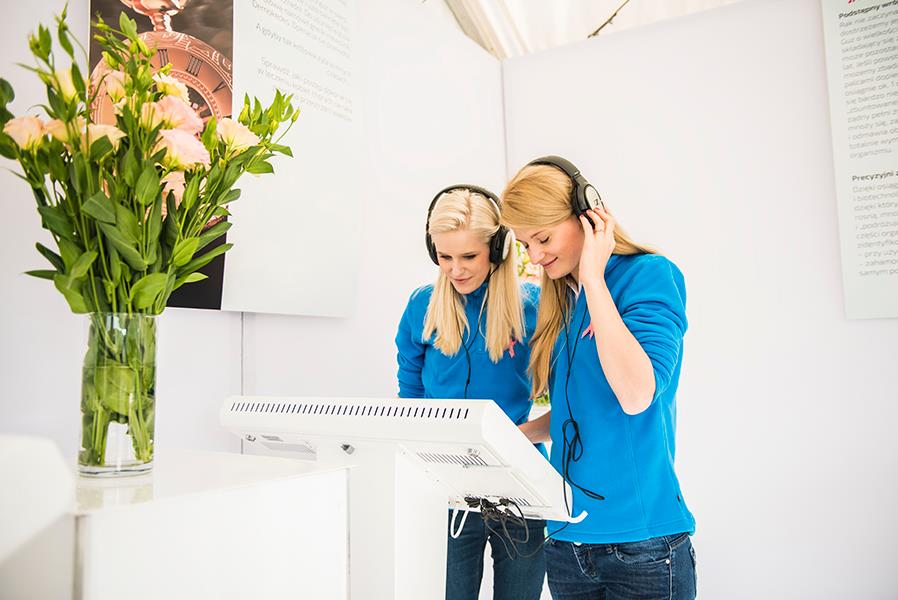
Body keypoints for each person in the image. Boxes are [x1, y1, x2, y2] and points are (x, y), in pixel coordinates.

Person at [502, 156, 697, 600]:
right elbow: (580, 409)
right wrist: (515, 435)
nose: (535, 256)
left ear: (588, 216)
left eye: (543, 238)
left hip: (643, 545)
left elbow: (636, 395)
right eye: (525, 244)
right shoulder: (562, 299)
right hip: (567, 542)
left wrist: (594, 278)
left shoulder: (649, 276)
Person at [395, 185, 546, 600]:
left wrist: (525, 434)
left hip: (519, 482)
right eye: (445, 257)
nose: (456, 269)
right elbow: (410, 389)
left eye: (468, 256)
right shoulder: (422, 306)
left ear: (496, 249)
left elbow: (568, 387)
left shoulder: (531, 306)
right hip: (444, 484)